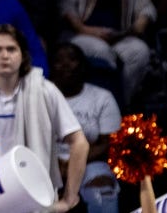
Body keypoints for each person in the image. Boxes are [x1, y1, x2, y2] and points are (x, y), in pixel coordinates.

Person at [0, 25, 88, 212]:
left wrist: (69, 198)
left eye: (11, 49)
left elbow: (79, 142)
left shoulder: (44, 90)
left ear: (22, 55)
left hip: (33, 200)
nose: (5, 55)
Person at [49, 42, 122, 213]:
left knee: (101, 188)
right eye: (59, 61)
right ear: (51, 67)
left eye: (72, 59)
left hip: (90, 162)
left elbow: (108, 143)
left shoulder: (101, 97)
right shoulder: (40, 96)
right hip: (48, 162)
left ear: (83, 66)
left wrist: (75, 161)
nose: (66, 65)